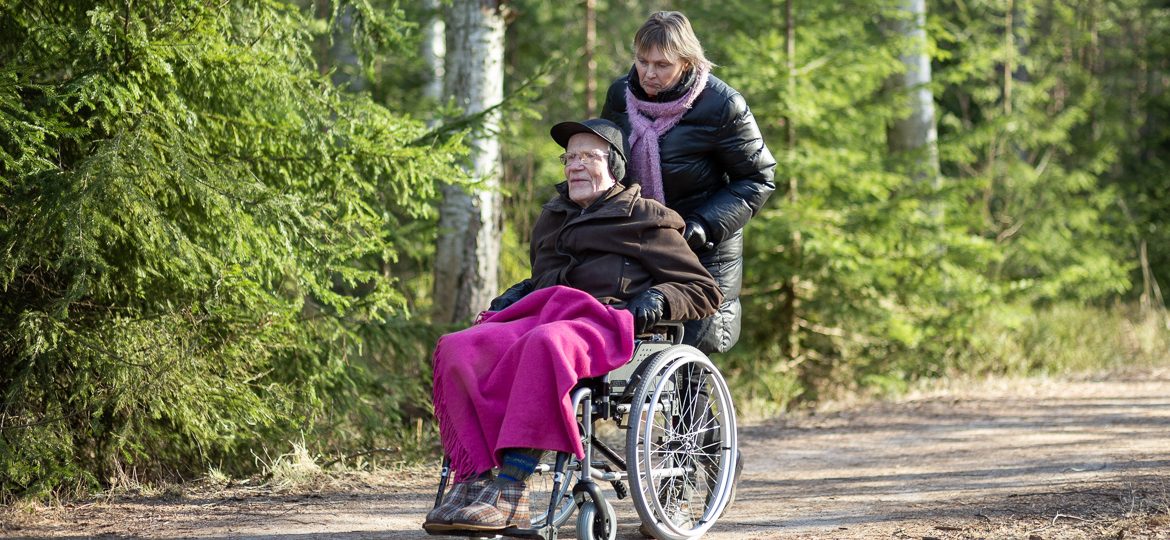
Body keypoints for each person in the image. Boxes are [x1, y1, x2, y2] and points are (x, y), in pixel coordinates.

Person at [423, 118, 723, 533]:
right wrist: (515, 296)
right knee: (460, 345)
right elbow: (541, 280)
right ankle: (474, 479)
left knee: (545, 342)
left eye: (587, 156)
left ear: (614, 165)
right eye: (569, 157)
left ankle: (512, 485)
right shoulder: (553, 215)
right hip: (546, 315)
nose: (574, 165)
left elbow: (702, 289)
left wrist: (654, 300)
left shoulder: (645, 218)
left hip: (607, 323)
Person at [601, 11, 777, 355]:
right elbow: (610, 165)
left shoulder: (722, 105)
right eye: (642, 61)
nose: (649, 73)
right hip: (636, 244)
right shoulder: (619, 95)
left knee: (689, 365)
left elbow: (758, 177)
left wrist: (702, 226)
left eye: (662, 64)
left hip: (702, 250)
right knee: (630, 359)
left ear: (687, 61)